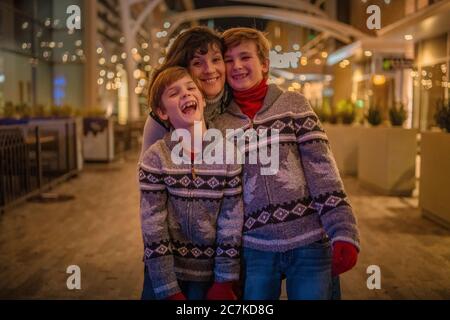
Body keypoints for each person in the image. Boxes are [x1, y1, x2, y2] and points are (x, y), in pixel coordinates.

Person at [212, 27, 360, 300]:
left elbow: (323, 170)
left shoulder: (294, 104)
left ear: (264, 64)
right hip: (255, 248)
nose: (237, 66)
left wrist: (343, 230)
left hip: (310, 241)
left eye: (245, 57)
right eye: (229, 59)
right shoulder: (220, 124)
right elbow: (228, 202)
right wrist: (225, 273)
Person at [138, 66, 243, 300]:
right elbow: (153, 225)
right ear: (162, 112)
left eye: (190, 88)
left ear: (203, 100)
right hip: (166, 275)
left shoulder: (228, 155)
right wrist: (167, 287)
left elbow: (231, 221)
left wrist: (224, 280)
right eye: (174, 93)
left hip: (210, 278)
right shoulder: (156, 158)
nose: (185, 94)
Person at [139, 26, 231, 161]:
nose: (210, 70)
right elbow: (145, 168)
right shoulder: (163, 116)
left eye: (216, 59)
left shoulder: (235, 98)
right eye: (197, 63)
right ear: (182, 70)